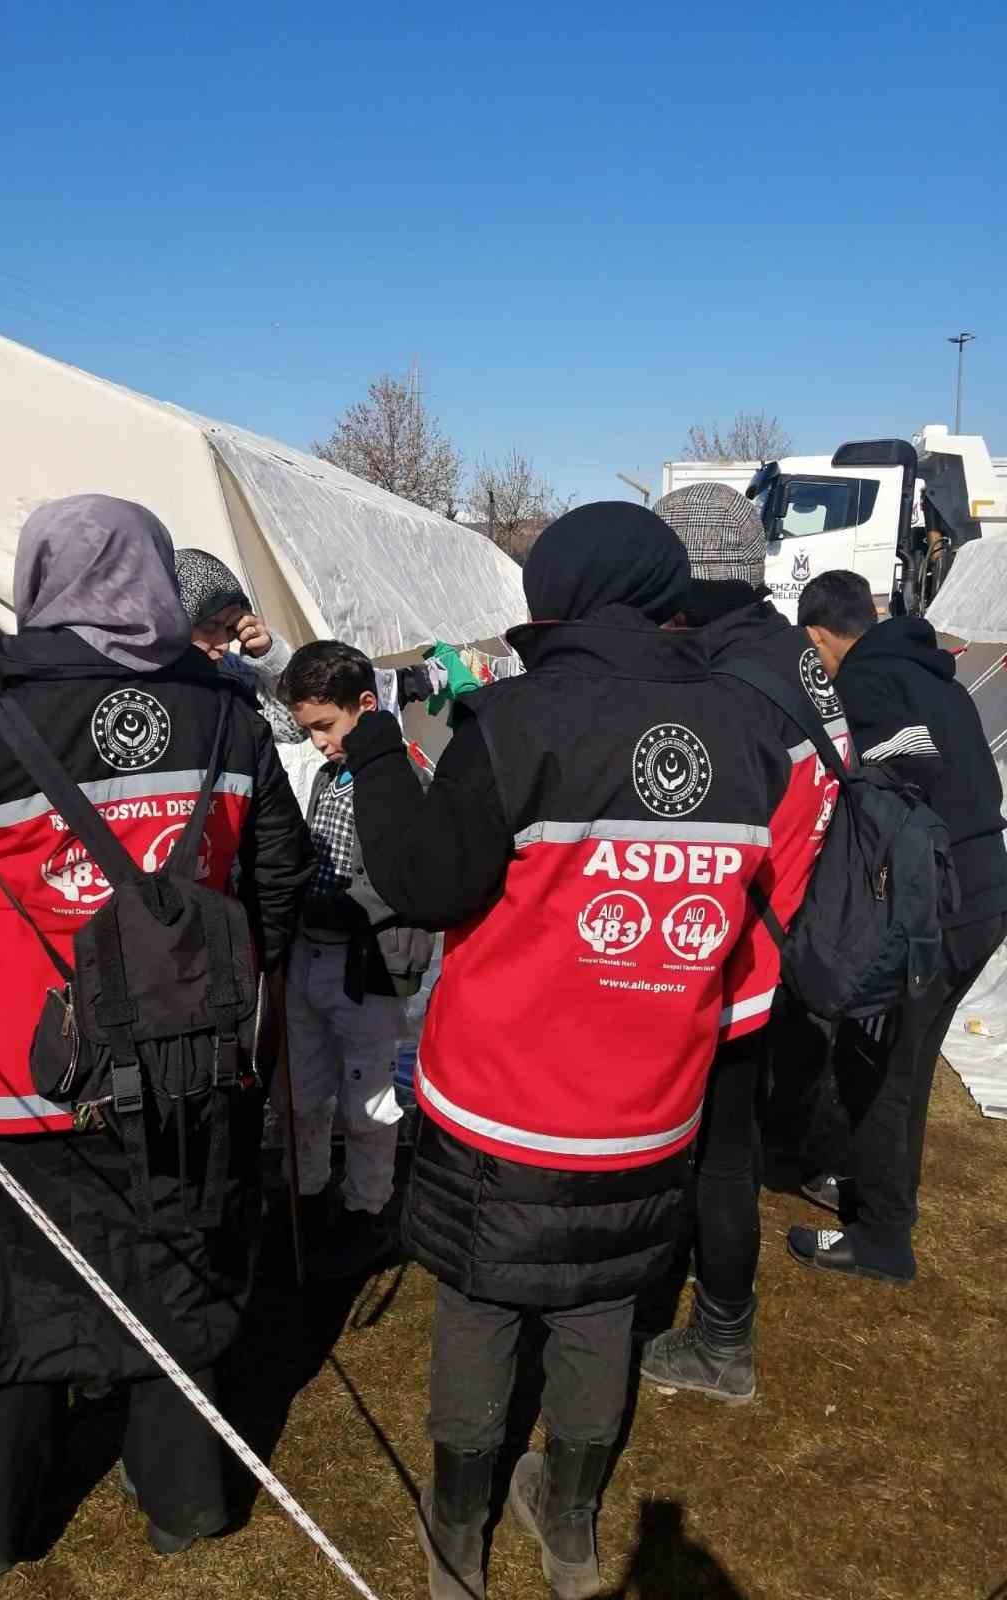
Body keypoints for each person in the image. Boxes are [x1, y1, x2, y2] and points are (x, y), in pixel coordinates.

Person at [0, 495, 313, 1574]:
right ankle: (184, 1505)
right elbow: (277, 873)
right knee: (172, 1276)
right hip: (181, 1065)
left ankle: (1, 1530)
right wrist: (228, 989)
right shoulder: (230, 713)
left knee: (5, 1305)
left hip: (8, 1071)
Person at [340, 502, 797, 1600]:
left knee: (483, 1301)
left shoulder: (514, 718)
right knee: (603, 1305)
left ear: (557, 596)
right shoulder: (750, 728)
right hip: (651, 1097)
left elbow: (425, 884)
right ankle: (575, 1531)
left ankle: (459, 1539)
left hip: (502, 1096)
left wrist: (373, 751)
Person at [638, 482, 849, 1403]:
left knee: (717, 1152)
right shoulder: (788, 657)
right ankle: (708, 1306)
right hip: (782, 932)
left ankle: (722, 1340)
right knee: (726, 1146)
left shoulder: (729, 685)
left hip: (733, 954)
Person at [786, 570, 1007, 1283]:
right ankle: (870, 1190)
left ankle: (883, 1240)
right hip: (987, 890)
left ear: (819, 636)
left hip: (936, 908)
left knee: (883, 1064)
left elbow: (886, 812)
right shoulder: (936, 676)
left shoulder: (869, 688)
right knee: (898, 1060)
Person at [277, 641, 433, 1279]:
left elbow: (409, 874)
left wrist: (356, 907)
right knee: (305, 1089)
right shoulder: (321, 773)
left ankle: (369, 1207)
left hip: (365, 966)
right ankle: (306, 1192)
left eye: (325, 726)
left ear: (365, 706)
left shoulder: (404, 778)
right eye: (309, 729)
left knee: (368, 1094)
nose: (317, 742)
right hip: (308, 955)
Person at [174, 548, 306, 744]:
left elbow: (294, 729)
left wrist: (267, 656)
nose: (224, 646)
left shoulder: (229, 672)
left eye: (229, 629)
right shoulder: (136, 684)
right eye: (210, 627)